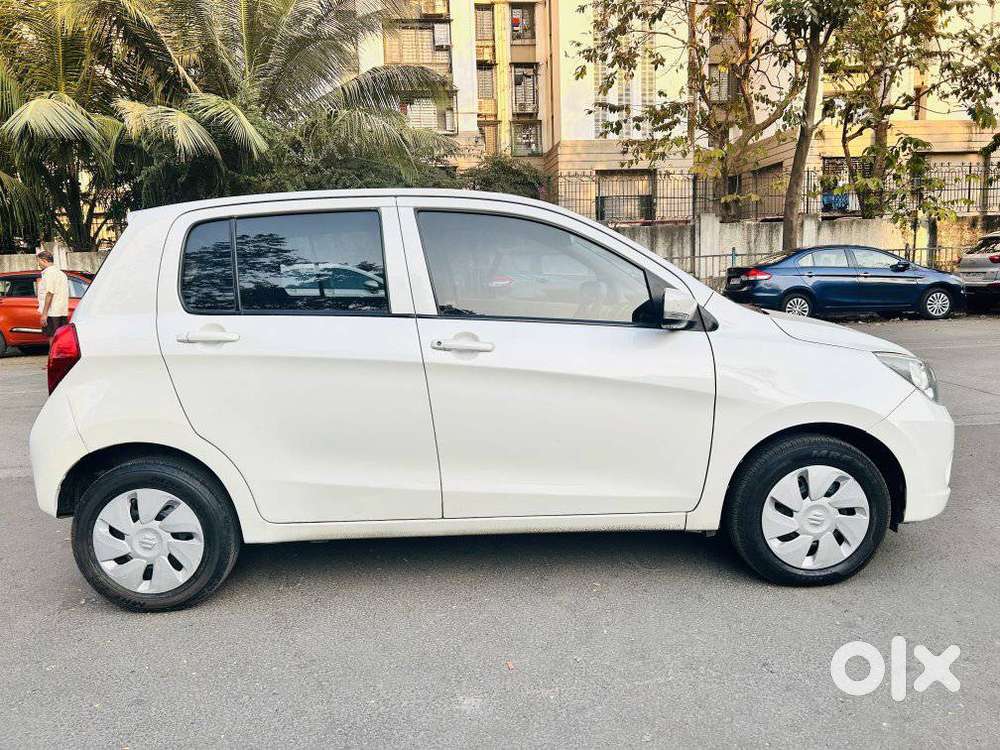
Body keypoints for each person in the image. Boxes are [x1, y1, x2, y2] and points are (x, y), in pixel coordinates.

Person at [37, 251, 70, 338]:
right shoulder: (61, 274)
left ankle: (53, 352)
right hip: (62, 311)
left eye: (39, 261)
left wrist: (44, 314)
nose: (38, 264)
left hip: (52, 312)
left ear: (44, 260)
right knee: (61, 338)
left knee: (53, 338)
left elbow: (49, 293)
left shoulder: (48, 273)